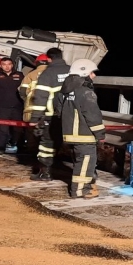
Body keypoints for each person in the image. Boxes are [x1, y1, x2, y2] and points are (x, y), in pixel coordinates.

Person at [56, 58, 105, 198]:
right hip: (84, 134)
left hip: (69, 133)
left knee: (79, 162)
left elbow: (58, 111)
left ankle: (82, 187)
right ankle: (80, 190)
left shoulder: (64, 91)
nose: (94, 76)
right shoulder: (86, 92)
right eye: (92, 73)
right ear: (84, 74)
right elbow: (93, 115)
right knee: (85, 163)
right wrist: (100, 134)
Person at [28, 47, 70, 181]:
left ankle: (45, 173)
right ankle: (88, 174)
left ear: (49, 59)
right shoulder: (72, 71)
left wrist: (35, 118)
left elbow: (41, 97)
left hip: (53, 117)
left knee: (47, 144)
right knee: (77, 145)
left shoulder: (47, 74)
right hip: (73, 116)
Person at [0, 56, 25, 154]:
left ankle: (17, 146)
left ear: (12, 65)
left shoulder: (20, 75)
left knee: (18, 129)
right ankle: (0, 148)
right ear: (1, 66)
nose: (7, 67)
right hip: (2, 107)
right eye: (4, 65)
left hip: (17, 107)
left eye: (9, 64)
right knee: (3, 129)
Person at [20, 53, 51, 154]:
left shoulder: (30, 75)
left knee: (31, 133)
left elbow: (22, 91)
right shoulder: (54, 74)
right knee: (47, 133)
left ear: (37, 63)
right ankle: (44, 154)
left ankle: (31, 153)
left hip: (31, 110)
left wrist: (27, 100)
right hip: (48, 110)